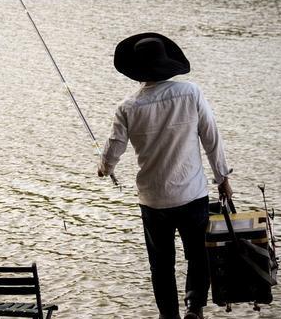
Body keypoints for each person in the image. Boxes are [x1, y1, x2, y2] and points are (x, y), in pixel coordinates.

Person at [97, 33, 233, 319]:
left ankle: (168, 315)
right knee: (198, 255)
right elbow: (211, 137)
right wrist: (223, 178)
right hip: (191, 194)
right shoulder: (191, 93)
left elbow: (113, 149)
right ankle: (194, 307)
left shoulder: (128, 108)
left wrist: (104, 169)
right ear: (167, 64)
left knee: (161, 263)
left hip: (154, 200)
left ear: (138, 71)